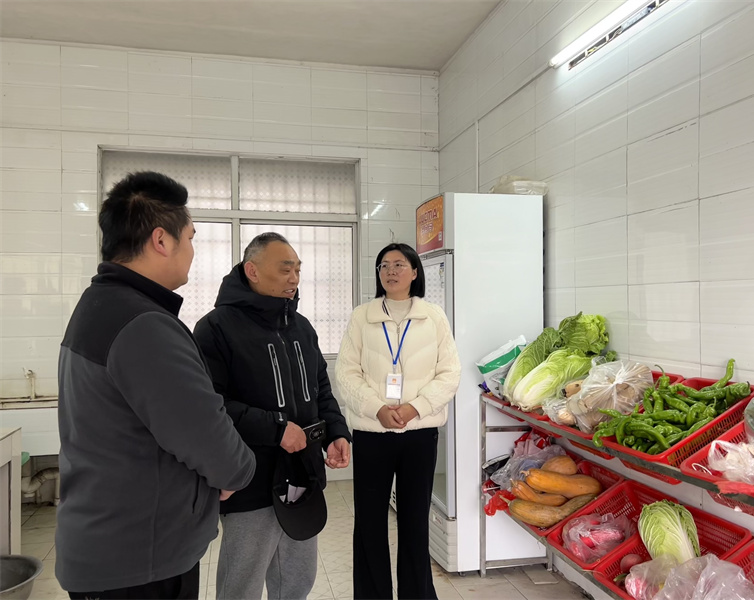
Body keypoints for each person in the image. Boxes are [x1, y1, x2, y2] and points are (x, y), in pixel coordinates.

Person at [56, 171, 256, 600]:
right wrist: (237, 471)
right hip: (138, 563)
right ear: (161, 240)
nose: (193, 251)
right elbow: (206, 435)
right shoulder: (144, 325)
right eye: (191, 238)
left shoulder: (99, 304)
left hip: (110, 545)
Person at [193, 232, 352, 600]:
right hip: (251, 477)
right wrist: (276, 429)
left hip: (303, 473)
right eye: (285, 269)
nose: (294, 278)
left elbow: (320, 388)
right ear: (252, 270)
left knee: (297, 579)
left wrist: (336, 432)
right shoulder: (216, 328)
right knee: (242, 584)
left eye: (297, 270)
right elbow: (211, 405)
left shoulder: (301, 327)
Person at [335, 242, 461, 600]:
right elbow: (346, 372)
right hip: (372, 432)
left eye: (399, 264)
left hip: (419, 432)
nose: (391, 271)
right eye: (384, 265)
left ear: (415, 272)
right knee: (370, 522)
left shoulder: (433, 316)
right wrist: (376, 407)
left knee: (414, 521)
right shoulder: (362, 316)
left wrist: (415, 407)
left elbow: (450, 372)